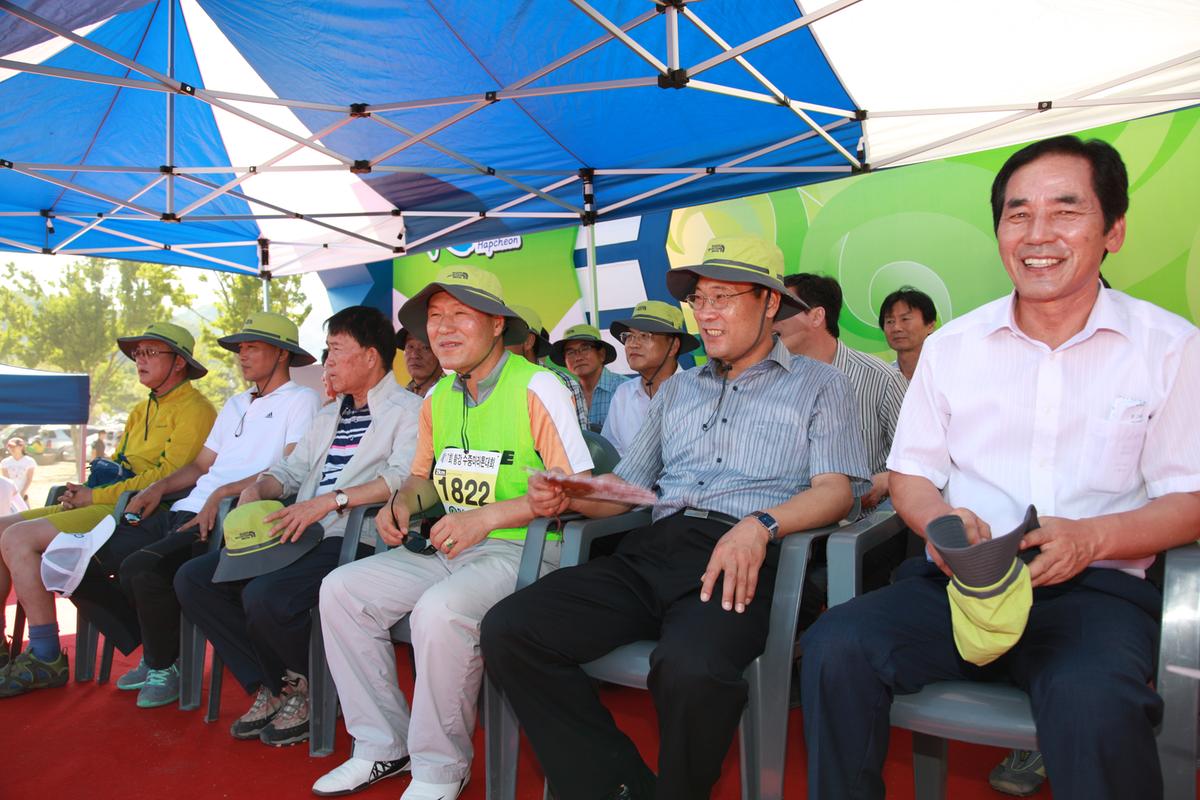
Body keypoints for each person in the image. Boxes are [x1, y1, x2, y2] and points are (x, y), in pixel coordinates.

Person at [799, 136, 1200, 800]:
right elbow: (911, 475)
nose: (1038, 234)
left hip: (1093, 594)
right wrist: (941, 523)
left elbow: (1189, 499)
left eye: (1065, 210)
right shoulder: (953, 348)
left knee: (1094, 702)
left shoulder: (1170, 348)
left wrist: (1092, 539)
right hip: (961, 584)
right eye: (1018, 214)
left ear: (1114, 231)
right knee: (835, 646)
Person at [481, 237, 870, 800]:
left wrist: (760, 525)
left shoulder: (822, 384)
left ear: (769, 303)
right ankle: (617, 784)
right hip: (657, 548)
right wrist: (571, 493)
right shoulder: (680, 389)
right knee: (510, 629)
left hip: (745, 558)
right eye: (699, 299)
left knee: (692, 669)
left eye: (722, 297)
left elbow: (836, 492)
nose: (705, 313)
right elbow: (629, 489)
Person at [313, 267, 591, 800]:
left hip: (524, 550)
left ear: (497, 324)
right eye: (435, 317)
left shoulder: (539, 385)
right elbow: (422, 479)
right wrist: (399, 504)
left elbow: (577, 488)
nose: (442, 328)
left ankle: (440, 771)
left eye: (460, 314)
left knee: (439, 611)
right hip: (447, 544)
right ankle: (380, 745)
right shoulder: (438, 395)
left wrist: (485, 518)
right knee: (342, 590)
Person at [174, 305, 422, 747]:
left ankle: (313, 686)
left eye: (336, 350)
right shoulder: (329, 414)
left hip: (352, 537)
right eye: (327, 350)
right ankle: (278, 686)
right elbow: (291, 471)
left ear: (370, 356)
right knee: (195, 579)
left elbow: (401, 478)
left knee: (265, 596)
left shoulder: (409, 411)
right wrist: (261, 487)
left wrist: (331, 500)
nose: (327, 362)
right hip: (299, 530)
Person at [72, 312, 320, 709]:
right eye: (240, 348)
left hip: (222, 516)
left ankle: (163, 662)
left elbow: (289, 470)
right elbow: (202, 465)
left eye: (252, 347)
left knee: (142, 568)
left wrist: (222, 494)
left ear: (281, 354)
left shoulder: (302, 400)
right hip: (185, 507)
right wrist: (158, 487)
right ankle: (156, 647)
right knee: (79, 561)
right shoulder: (236, 403)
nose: (242, 355)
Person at [0, 322, 216, 697]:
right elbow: (118, 465)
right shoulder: (139, 409)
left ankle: (46, 656)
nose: (140, 360)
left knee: (19, 538)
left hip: (143, 514)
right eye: (138, 353)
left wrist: (94, 497)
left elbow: (167, 478)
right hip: (109, 502)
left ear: (179, 362)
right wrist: (84, 491)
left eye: (151, 352)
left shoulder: (197, 410)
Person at [775, 273, 907, 511]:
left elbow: (919, 462)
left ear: (817, 316)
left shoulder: (881, 379)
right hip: (780, 517)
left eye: (782, 310)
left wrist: (885, 481)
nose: (771, 321)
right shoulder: (766, 378)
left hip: (861, 523)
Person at [601, 300, 699, 456]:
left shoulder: (698, 392)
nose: (633, 344)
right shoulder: (623, 395)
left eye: (644, 335)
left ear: (673, 346)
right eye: (629, 336)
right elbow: (612, 455)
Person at [507, 304, 590, 430]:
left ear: (528, 341)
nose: (496, 344)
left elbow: (578, 438)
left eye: (506, 336)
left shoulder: (564, 383)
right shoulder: (486, 382)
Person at [550, 324, 628, 431]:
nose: (578, 357)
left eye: (585, 349)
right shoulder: (565, 394)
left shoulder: (624, 390)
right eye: (570, 352)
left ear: (601, 354)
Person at [878, 286, 938, 381]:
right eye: (890, 321)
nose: (896, 328)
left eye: (905, 319)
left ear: (930, 326)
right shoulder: (882, 378)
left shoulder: (945, 373)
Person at [396, 327, 442, 397]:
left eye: (425, 347)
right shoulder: (403, 395)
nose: (414, 355)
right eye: (410, 346)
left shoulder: (451, 391)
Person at [1, 437, 35, 506]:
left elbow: (29, 479)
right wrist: (10, 493)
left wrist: (23, 492)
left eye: (13, 446)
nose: (11, 448)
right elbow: (6, 480)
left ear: (21, 446)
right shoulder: (5, 462)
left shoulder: (29, 461)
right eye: (9, 446)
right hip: (10, 494)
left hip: (23, 494)